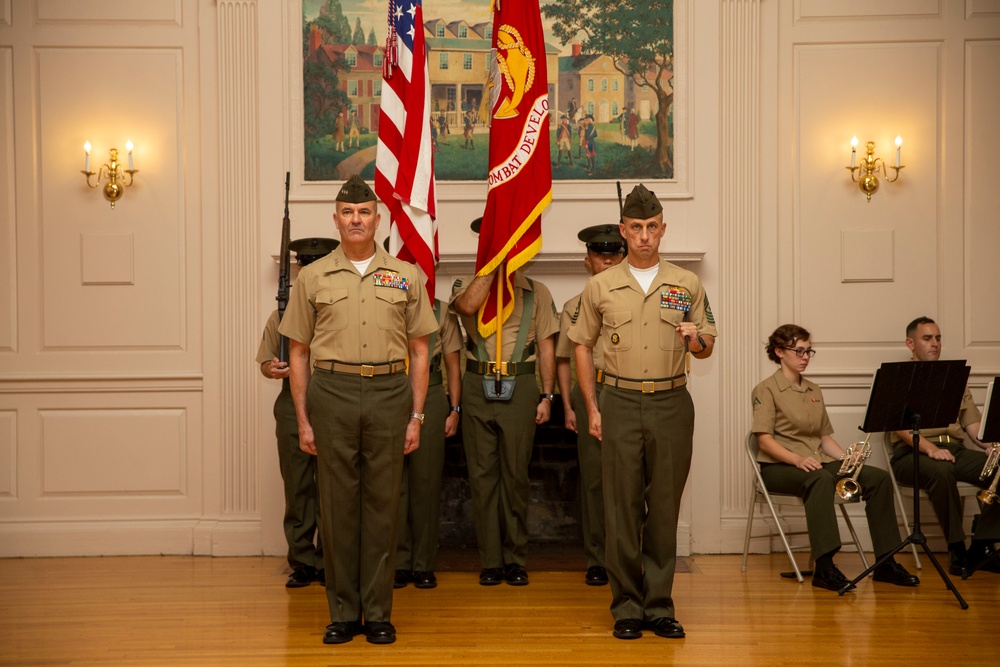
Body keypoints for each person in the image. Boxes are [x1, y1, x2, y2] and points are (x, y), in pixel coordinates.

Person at [278, 174, 437, 646]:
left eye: (364, 212)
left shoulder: (406, 275)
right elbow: (299, 352)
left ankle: (378, 612)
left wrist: (416, 416)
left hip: (390, 394)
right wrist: (304, 419)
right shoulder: (313, 276)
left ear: (377, 218)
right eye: (347, 212)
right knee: (338, 509)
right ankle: (344, 612)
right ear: (336, 219)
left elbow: (421, 350)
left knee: (384, 508)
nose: (356, 220)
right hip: (333, 394)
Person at [568, 184, 717, 640]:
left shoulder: (686, 283)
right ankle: (627, 606)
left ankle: (659, 605)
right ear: (624, 231)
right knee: (621, 507)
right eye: (636, 227)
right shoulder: (601, 286)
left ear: (663, 229)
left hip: (672, 402)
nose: (645, 236)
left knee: (665, 508)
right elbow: (580, 345)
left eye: (653, 227)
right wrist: (592, 406)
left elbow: (707, 346)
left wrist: (694, 338)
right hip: (618, 401)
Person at [751, 323, 920, 594]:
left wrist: (847, 458)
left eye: (809, 351)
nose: (805, 357)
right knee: (819, 479)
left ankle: (886, 562)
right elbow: (764, 440)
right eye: (799, 351)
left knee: (877, 477)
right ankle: (825, 566)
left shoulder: (814, 390)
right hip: (780, 467)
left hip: (816, 463)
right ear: (779, 352)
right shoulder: (766, 390)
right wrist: (796, 459)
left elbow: (824, 438)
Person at [451, 217, 559, 587]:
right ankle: (491, 560)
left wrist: (548, 395)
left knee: (516, 477)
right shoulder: (466, 284)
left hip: (522, 383)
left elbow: (547, 346)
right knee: (482, 478)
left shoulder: (537, 292)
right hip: (477, 383)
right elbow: (466, 308)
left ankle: (515, 559)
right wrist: (491, 267)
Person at [887, 316, 1000, 575]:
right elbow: (900, 429)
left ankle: (982, 544)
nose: (935, 344)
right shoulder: (898, 377)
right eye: (927, 338)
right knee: (941, 470)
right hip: (911, 453)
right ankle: (956, 547)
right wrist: (930, 449)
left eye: (938, 338)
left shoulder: (955, 377)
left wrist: (991, 446)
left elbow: (972, 426)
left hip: (954, 449)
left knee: (999, 466)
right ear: (910, 343)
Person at [256, 237, 339, 589]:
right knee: (299, 486)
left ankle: (330, 561)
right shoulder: (281, 313)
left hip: (333, 402)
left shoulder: (337, 308)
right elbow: (265, 362)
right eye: (305, 267)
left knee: (332, 489)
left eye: (316, 266)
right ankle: (303, 561)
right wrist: (272, 369)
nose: (310, 273)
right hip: (292, 405)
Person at [388, 239, 464, 591]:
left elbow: (452, 361)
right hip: (389, 391)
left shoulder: (439, 309)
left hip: (431, 393)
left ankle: (423, 563)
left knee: (426, 482)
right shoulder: (383, 301)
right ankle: (400, 561)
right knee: (393, 484)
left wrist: (455, 407)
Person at [555, 224, 625, 586]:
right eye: (601, 254)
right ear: (588, 261)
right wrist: (568, 406)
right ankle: (598, 557)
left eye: (615, 252)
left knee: (632, 480)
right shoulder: (574, 307)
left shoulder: (636, 298)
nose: (609, 259)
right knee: (595, 480)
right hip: (591, 393)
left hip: (629, 393)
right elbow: (564, 359)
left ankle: (628, 555)